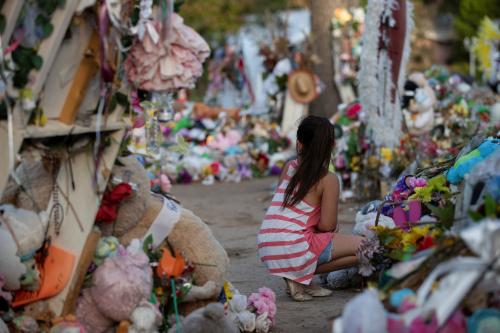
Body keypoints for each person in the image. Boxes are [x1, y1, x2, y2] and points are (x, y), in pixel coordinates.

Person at [257, 115, 363, 301]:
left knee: (312, 236)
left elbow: (284, 209)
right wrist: (329, 229)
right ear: (331, 146)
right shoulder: (328, 179)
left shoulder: (289, 167)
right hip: (294, 246)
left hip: (268, 244)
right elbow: (327, 225)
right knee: (369, 248)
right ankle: (298, 277)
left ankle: (300, 278)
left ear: (299, 143)